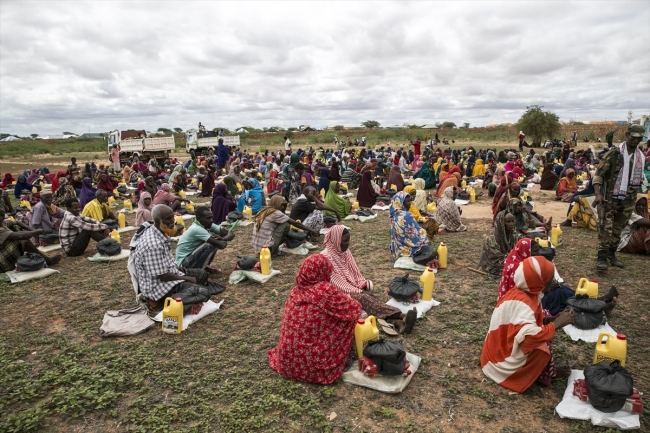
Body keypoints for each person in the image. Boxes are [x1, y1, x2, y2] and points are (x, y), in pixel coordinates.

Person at [480, 256, 574, 393]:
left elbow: (527, 323)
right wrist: (558, 323)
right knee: (542, 349)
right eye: (550, 278)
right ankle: (543, 374)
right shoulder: (524, 303)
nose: (552, 281)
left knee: (544, 330)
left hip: (496, 349)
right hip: (498, 362)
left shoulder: (525, 293)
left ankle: (545, 370)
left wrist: (551, 320)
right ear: (540, 280)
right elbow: (529, 339)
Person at [267, 254, 362, 384]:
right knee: (349, 320)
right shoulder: (324, 290)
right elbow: (354, 310)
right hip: (316, 367)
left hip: (287, 362)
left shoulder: (295, 291)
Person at [321, 225, 417, 333]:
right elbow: (338, 283)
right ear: (335, 240)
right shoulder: (325, 258)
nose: (348, 243)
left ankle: (397, 322)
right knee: (365, 299)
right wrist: (358, 291)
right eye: (345, 241)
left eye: (348, 240)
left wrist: (362, 284)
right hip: (337, 293)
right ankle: (401, 315)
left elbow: (354, 271)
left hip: (351, 288)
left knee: (370, 299)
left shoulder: (344, 251)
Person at [132, 205, 220, 312]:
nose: (172, 221)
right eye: (167, 219)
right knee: (203, 292)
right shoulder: (153, 245)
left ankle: (183, 296)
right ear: (157, 220)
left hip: (169, 275)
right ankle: (158, 302)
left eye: (172, 217)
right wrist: (186, 278)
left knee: (202, 274)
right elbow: (163, 276)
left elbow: (166, 260)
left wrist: (177, 268)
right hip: (158, 287)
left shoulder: (161, 231)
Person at [593, 125, 646, 270]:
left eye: (639, 138)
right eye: (633, 137)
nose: (636, 140)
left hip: (628, 200)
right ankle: (602, 258)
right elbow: (598, 175)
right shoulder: (614, 154)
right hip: (610, 199)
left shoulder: (641, 157)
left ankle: (611, 255)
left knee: (618, 228)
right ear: (626, 135)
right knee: (606, 229)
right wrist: (598, 194)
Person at [0, 205, 62, 272]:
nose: (0, 218)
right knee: (23, 240)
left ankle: (45, 259)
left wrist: (32, 230)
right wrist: (35, 232)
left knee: (15, 227)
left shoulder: (3, 223)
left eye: (2, 215)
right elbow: (21, 236)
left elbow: (17, 222)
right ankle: (47, 260)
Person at [252, 195, 318, 255]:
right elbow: (295, 223)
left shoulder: (264, 211)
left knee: (282, 225)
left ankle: (275, 247)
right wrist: (312, 230)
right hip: (266, 249)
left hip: (258, 248)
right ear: (276, 203)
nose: (283, 207)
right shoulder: (275, 213)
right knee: (285, 225)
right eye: (281, 205)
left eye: (284, 205)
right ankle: (275, 251)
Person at [175, 206, 234, 272]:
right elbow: (222, 245)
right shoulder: (196, 229)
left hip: (189, 257)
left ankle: (203, 267)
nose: (211, 220)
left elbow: (231, 234)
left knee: (212, 243)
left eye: (212, 217)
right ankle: (199, 272)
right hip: (183, 264)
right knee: (209, 246)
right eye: (208, 218)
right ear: (199, 218)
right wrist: (222, 239)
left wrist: (223, 238)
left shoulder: (206, 224)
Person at [390, 191, 430, 262]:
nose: (410, 204)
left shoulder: (394, 215)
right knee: (430, 250)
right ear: (401, 203)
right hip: (408, 251)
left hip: (397, 251)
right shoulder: (407, 215)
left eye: (410, 201)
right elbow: (417, 235)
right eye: (407, 201)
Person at [478, 211, 519, 278]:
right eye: (508, 222)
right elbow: (496, 259)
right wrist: (515, 259)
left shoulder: (510, 233)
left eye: (512, 221)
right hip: (493, 265)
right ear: (501, 223)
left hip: (507, 260)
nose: (511, 224)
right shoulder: (492, 238)